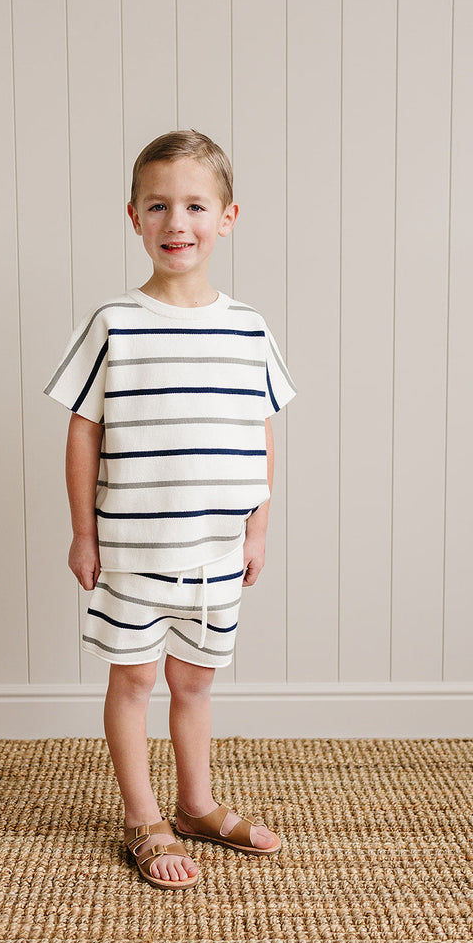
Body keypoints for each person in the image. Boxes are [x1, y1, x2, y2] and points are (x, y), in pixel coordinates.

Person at [44, 130, 297, 890]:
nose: (176, 222)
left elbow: (259, 430)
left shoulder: (248, 327)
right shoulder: (114, 324)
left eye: (194, 206)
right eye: (157, 206)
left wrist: (257, 529)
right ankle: (142, 817)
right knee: (133, 684)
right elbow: (83, 429)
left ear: (227, 217)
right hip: (131, 551)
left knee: (194, 686)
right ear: (134, 218)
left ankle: (196, 804)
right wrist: (83, 533)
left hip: (216, 554)